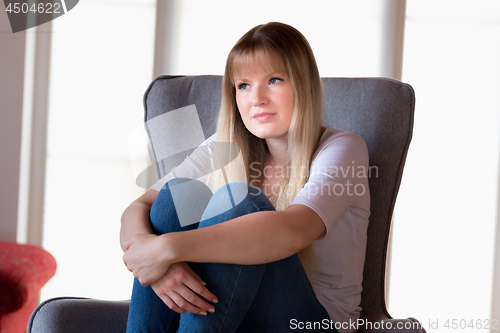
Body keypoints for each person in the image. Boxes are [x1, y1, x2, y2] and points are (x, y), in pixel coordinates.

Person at [121, 22, 370, 333]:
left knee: (237, 202)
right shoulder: (223, 147)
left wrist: (167, 250)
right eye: (244, 85)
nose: (257, 99)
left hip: (312, 324)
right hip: (239, 316)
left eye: (274, 80)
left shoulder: (344, 148)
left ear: (304, 85)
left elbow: (294, 230)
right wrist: (155, 263)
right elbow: (139, 207)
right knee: (176, 197)